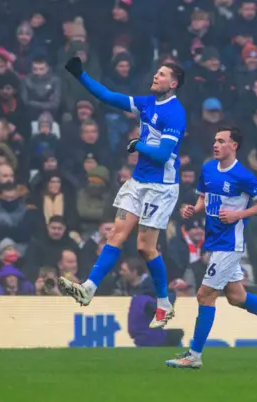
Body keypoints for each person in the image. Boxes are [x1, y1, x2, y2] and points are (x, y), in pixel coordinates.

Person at [58, 56, 186, 329]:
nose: (156, 77)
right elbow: (107, 96)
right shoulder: (147, 103)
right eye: (157, 72)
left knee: (144, 247)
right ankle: (89, 288)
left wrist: (137, 146)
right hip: (138, 182)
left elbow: (164, 154)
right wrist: (80, 75)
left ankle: (164, 303)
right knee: (116, 234)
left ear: (173, 84)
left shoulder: (175, 113)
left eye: (162, 75)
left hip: (160, 188)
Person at [165, 126, 257, 369]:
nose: (215, 145)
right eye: (215, 140)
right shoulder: (207, 168)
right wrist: (193, 209)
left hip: (230, 244)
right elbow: (203, 199)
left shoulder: (243, 176)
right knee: (236, 297)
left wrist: (239, 214)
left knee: (205, 295)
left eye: (221, 141)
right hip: (215, 242)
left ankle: (194, 355)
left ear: (234, 146)